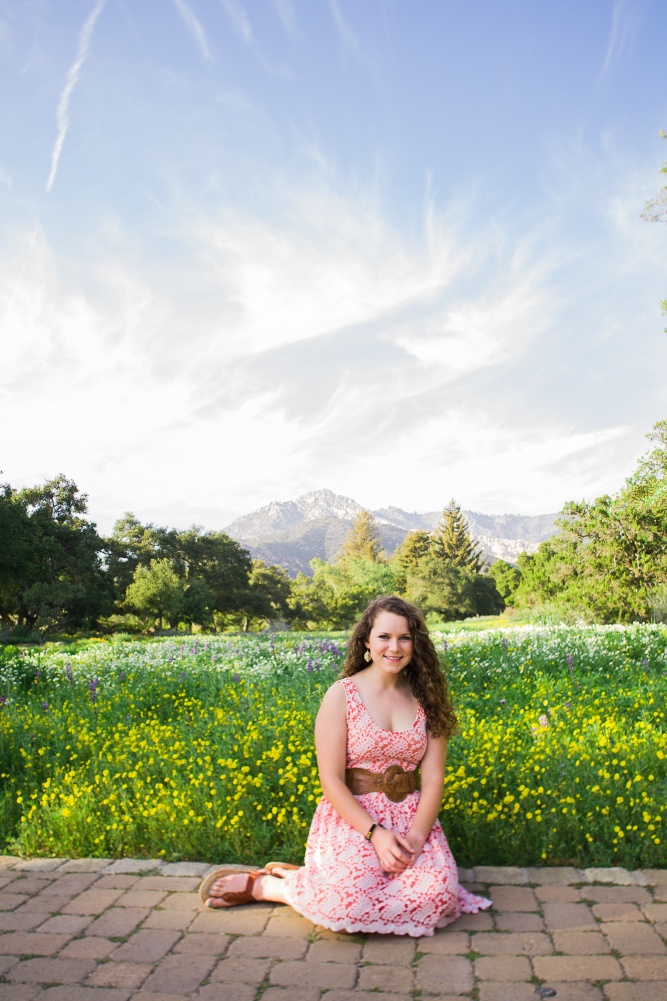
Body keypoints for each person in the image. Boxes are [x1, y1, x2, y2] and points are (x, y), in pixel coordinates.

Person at [198, 595, 491, 936]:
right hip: (354, 819)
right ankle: (272, 887)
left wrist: (416, 837)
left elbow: (434, 777)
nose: (394, 647)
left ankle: (313, 882)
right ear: (366, 641)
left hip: (412, 819)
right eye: (384, 637)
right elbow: (332, 781)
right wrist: (376, 835)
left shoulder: (427, 697)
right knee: (349, 908)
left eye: (404, 637)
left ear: (416, 643)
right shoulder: (342, 695)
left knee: (439, 896)